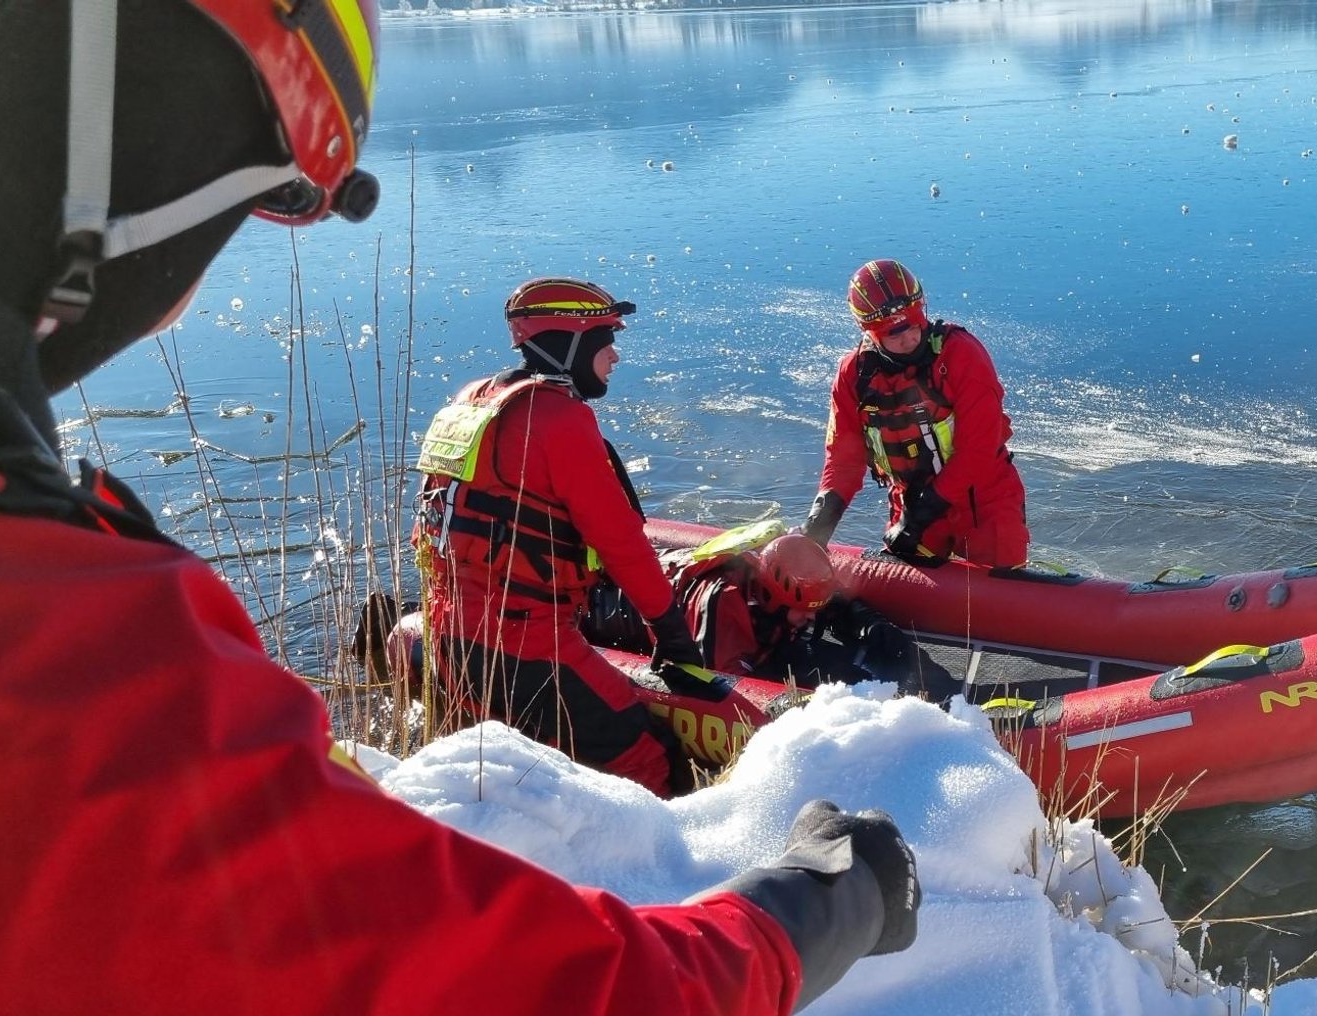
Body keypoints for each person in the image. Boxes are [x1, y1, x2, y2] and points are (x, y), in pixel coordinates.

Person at [0, 5, 917, 1016]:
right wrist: (818, 898)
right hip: (545, 659)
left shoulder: (462, 412)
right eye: (252, 189)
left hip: (462, 642)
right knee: (642, 755)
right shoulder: (78, 648)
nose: (195, 280)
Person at [413, 276, 705, 797]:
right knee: (653, 757)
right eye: (604, 339)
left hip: (449, 632)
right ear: (571, 344)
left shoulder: (471, 401)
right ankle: (654, 876)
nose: (614, 355)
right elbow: (620, 543)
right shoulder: (560, 419)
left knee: (527, 766)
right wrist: (670, 631)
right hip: (525, 642)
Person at [801, 258, 1029, 568]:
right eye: (894, 334)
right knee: (909, 605)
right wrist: (818, 525)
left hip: (983, 499)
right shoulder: (854, 376)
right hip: (910, 501)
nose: (909, 339)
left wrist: (920, 515)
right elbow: (844, 458)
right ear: (868, 330)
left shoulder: (962, 355)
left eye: (915, 324)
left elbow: (979, 450)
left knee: (1002, 599)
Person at [673, 530, 961, 696]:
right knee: (826, 672)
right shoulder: (724, 604)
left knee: (868, 656)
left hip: (772, 637)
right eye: (803, 613)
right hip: (643, 613)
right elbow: (728, 688)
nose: (810, 619)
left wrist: (870, 625)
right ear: (776, 600)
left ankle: (948, 694)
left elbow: (833, 605)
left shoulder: (797, 575)